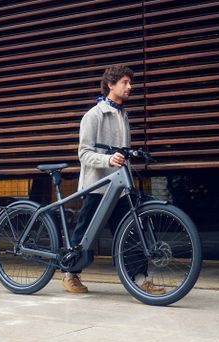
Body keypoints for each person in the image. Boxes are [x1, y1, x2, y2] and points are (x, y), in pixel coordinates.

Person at [62, 65, 165, 294]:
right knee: (85, 235)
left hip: (120, 188)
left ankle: (140, 279)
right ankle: (71, 274)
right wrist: (108, 160)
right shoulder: (93, 115)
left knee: (130, 233)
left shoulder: (123, 114)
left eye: (131, 82)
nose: (130, 87)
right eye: (125, 82)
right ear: (111, 84)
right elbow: (84, 153)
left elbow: (122, 151)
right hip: (97, 186)